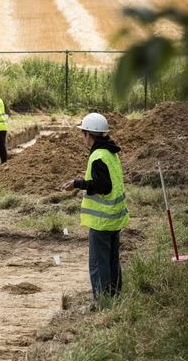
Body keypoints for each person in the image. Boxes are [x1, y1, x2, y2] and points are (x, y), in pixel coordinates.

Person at [60, 112, 129, 304]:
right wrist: (82, 182)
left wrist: (78, 183)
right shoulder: (110, 152)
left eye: (83, 133)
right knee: (112, 261)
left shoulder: (98, 156)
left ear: (89, 134)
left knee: (99, 263)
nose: (83, 137)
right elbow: (105, 182)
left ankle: (103, 302)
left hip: (102, 220)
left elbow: (103, 186)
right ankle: (114, 299)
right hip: (115, 217)